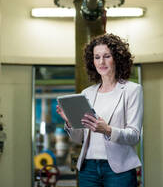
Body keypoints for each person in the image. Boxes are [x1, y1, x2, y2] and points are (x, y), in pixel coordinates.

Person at [56, 33, 143, 187]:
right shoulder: (87, 93)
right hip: (88, 168)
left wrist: (107, 130)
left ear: (117, 58)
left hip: (119, 170)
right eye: (97, 57)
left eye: (107, 56)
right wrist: (70, 122)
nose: (101, 62)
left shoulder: (132, 90)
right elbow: (79, 139)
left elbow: (134, 136)